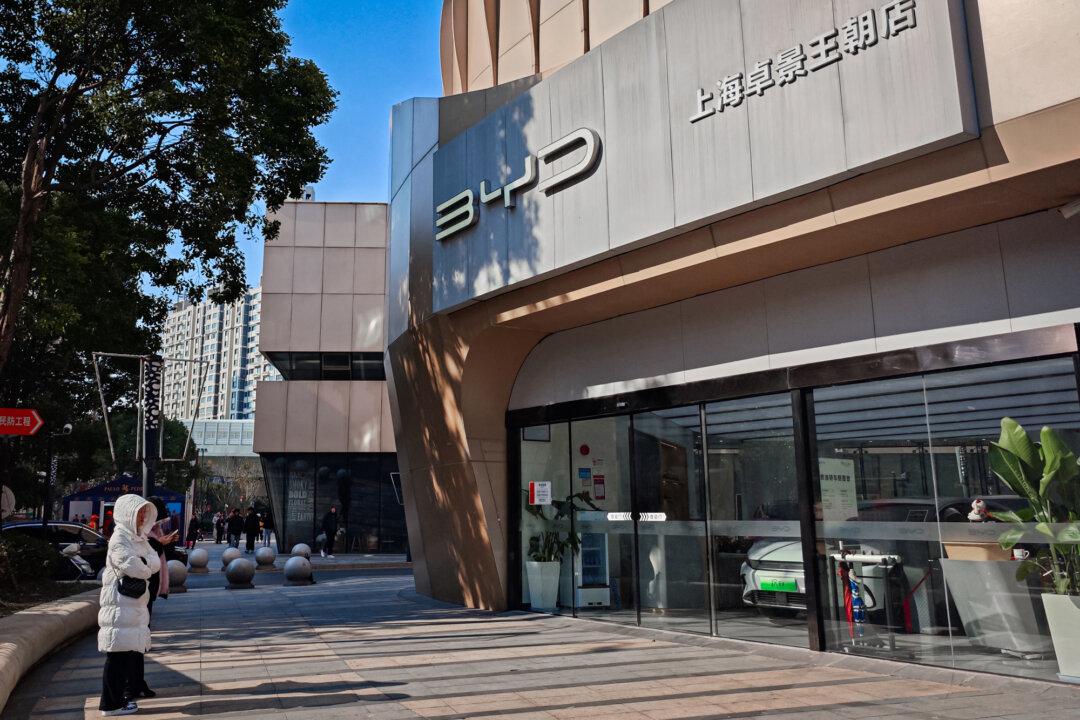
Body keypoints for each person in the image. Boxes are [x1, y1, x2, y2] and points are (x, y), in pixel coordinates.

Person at [97, 493, 160, 716]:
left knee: (124, 655)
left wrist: (145, 564)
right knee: (116, 656)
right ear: (127, 514)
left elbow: (154, 563)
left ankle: (116, 699)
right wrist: (145, 565)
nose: (142, 517)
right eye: (139, 512)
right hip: (119, 606)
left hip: (133, 606)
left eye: (145, 512)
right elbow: (138, 568)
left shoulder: (139, 538)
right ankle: (110, 704)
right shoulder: (119, 538)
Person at [144, 497, 176, 620]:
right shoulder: (140, 531)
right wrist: (159, 543)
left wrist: (168, 542)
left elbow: (162, 554)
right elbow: (144, 551)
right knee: (144, 617)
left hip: (153, 579)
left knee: (147, 615)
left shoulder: (156, 530)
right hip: (145, 580)